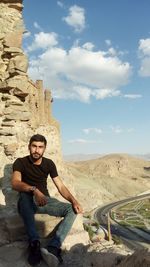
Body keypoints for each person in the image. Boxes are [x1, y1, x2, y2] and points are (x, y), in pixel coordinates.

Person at [11, 134, 83, 267]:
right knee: (24, 196)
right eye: (34, 146)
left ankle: (54, 247)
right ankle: (34, 244)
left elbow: (60, 186)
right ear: (29, 147)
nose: (36, 150)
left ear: (44, 149)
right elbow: (15, 183)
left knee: (71, 210)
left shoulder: (49, 164)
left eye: (40, 147)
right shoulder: (20, 162)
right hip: (27, 201)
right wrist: (34, 190)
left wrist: (74, 201)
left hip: (45, 201)